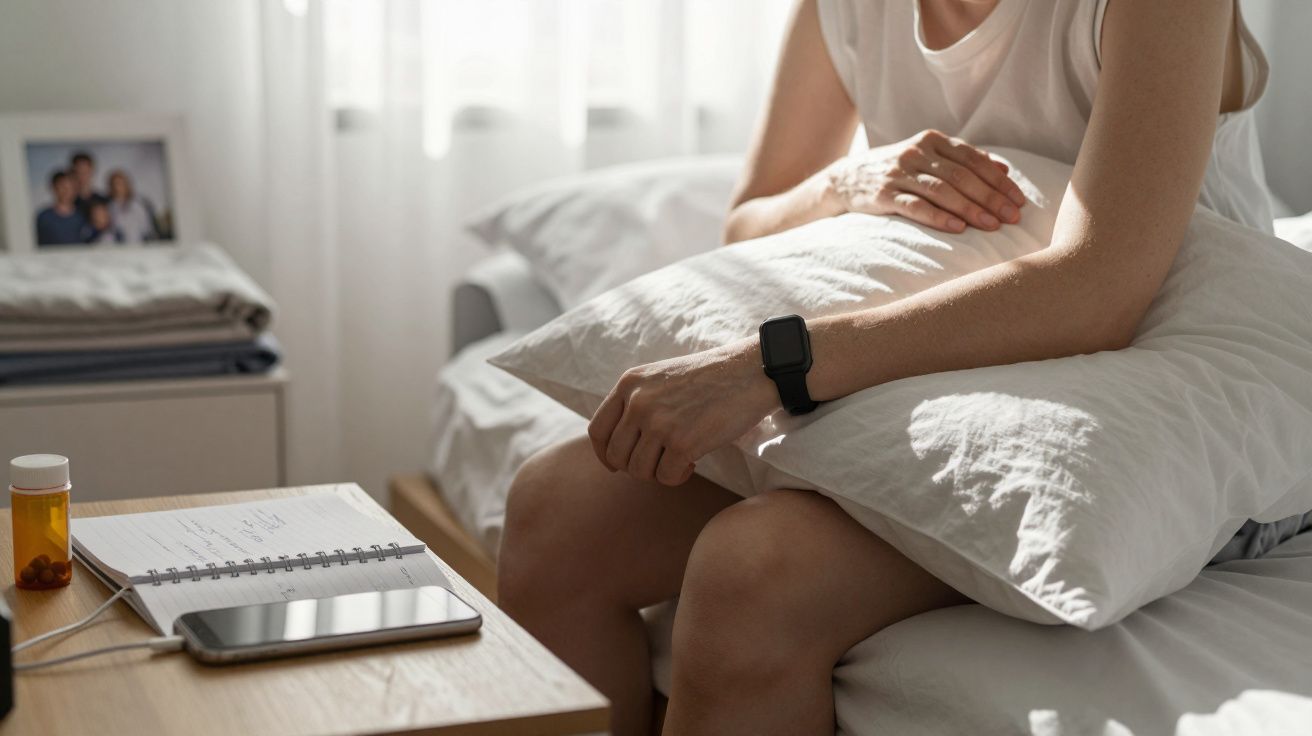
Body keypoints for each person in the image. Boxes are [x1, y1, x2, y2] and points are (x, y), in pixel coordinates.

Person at [498, 2, 1292, 735]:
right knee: (552, 512)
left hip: (1175, 407)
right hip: (950, 369)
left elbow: (1100, 288)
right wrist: (844, 183)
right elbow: (748, 220)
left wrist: (771, 366)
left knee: (755, 574)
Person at [34, 171, 86, 246]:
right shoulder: (43, 218)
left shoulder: (82, 216)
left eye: (70, 187)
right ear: (54, 188)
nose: (66, 191)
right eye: (62, 186)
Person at [106, 169, 159, 242]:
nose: (117, 187)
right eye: (114, 184)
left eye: (120, 184)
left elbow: (147, 228)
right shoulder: (109, 207)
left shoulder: (138, 204)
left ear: (126, 184)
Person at [69, 151, 106, 218]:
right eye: (78, 172)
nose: (82, 176)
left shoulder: (103, 201)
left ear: (92, 171)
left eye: (85, 172)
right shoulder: (68, 203)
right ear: (72, 173)